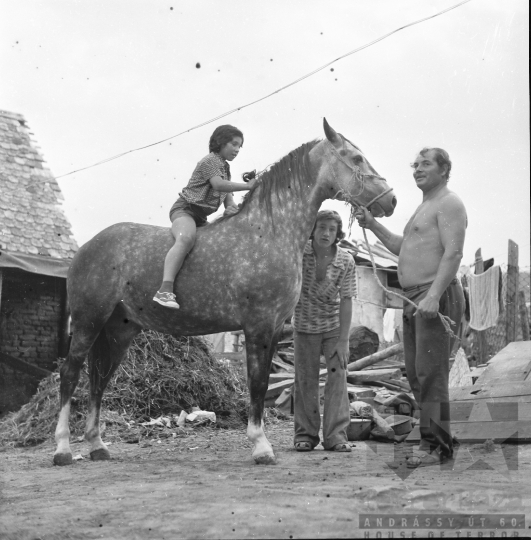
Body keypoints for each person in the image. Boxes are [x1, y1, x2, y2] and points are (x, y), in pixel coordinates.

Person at [355, 147, 466, 467]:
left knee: (430, 374)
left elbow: (454, 254)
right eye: (414, 165)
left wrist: (433, 295)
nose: (417, 169)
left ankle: (434, 446)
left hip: (432, 295)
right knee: (418, 375)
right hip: (413, 298)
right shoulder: (426, 206)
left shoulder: (449, 203)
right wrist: (372, 224)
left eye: (425, 164)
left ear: (444, 170)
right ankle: (440, 437)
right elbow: (402, 248)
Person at [153, 125, 257, 309]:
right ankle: (164, 289)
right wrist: (248, 187)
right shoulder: (210, 161)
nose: (237, 149)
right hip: (185, 210)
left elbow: (228, 200)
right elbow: (218, 185)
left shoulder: (225, 168)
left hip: (201, 218)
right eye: (233, 144)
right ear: (220, 142)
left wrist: (232, 209)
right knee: (186, 239)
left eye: (240, 146)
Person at [292, 210, 356, 453]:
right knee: (304, 380)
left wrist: (344, 340)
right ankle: (305, 435)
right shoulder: (299, 252)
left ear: (338, 233)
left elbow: (347, 299)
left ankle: (336, 436)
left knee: (337, 377)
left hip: (333, 328)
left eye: (331, 229)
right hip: (304, 327)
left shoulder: (346, 260)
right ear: (312, 229)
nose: (326, 233)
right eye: (321, 227)